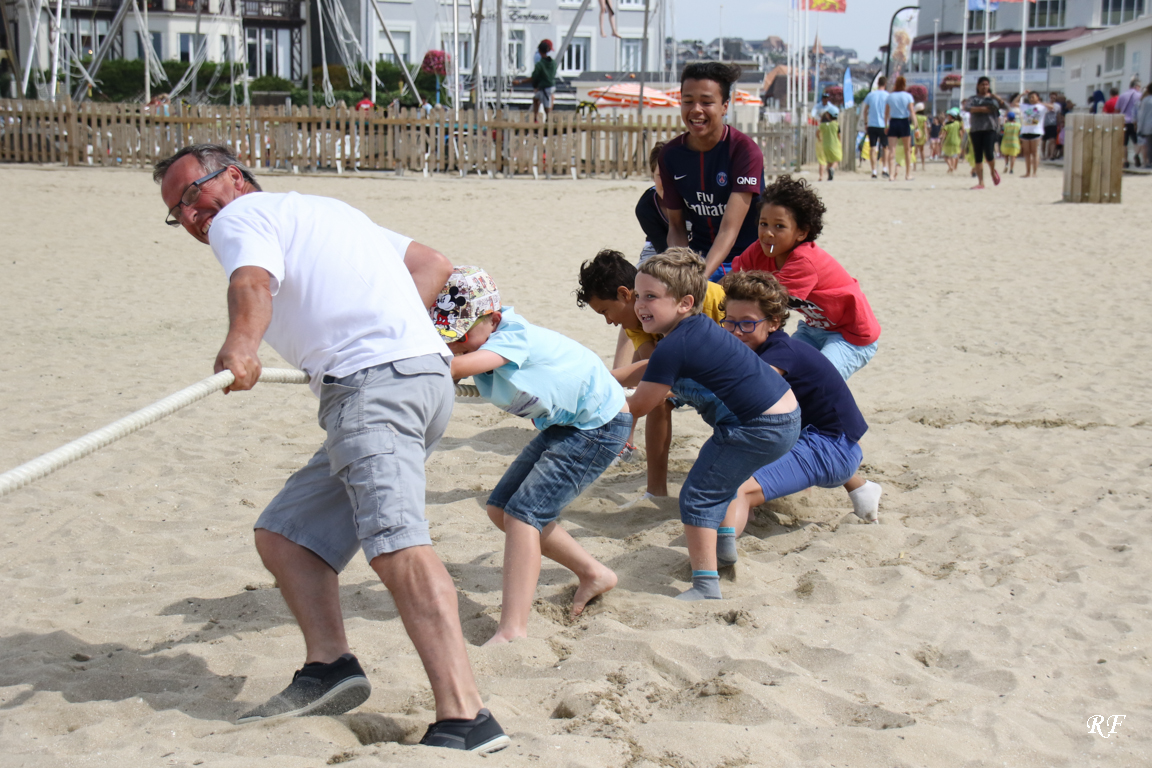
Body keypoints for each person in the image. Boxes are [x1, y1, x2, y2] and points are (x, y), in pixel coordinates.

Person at [153, 144, 510, 754]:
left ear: (234, 178)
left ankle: (466, 716)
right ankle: (330, 666)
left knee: (397, 543)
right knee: (288, 536)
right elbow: (433, 264)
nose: (191, 217)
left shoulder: (239, 218)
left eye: (192, 194)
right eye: (176, 212)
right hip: (417, 382)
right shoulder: (324, 210)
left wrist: (243, 344)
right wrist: (397, 330)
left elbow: (252, 281)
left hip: (375, 388)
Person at [436, 267, 631, 644]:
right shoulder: (478, 340)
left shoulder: (512, 334)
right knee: (502, 509)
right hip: (569, 425)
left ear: (492, 319)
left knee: (524, 515)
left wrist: (422, 366)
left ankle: (513, 630)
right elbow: (454, 363)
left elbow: (457, 366)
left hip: (599, 425)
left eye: (459, 335)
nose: (453, 344)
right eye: (446, 336)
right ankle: (594, 573)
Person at [624, 249, 800, 601]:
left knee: (697, 497)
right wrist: (605, 377)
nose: (640, 305)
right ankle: (724, 550)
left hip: (756, 427)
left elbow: (641, 404)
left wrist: (593, 402)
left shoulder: (675, 345)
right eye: (638, 295)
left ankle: (705, 587)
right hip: (785, 416)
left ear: (685, 302)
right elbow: (649, 370)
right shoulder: (699, 327)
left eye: (651, 297)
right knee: (721, 485)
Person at [716, 270, 882, 569]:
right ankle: (862, 489)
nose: (736, 332)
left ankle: (715, 561)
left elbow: (748, 387)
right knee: (736, 445)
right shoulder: (762, 345)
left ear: (775, 323)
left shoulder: (781, 352)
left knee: (735, 487)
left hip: (831, 446)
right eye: (729, 322)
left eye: (747, 323)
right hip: (823, 439)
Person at [575, 249, 728, 502]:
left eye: (605, 311)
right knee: (659, 400)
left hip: (726, 378)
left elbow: (741, 351)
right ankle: (655, 491)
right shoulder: (636, 323)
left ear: (625, 294)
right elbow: (654, 367)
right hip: (687, 376)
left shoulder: (711, 297)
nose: (609, 322)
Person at [729, 175, 880, 380]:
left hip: (850, 335)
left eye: (779, 226)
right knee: (787, 376)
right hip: (813, 328)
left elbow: (765, 304)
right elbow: (730, 285)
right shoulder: (758, 251)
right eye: (763, 224)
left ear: (801, 233)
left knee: (817, 380)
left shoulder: (804, 261)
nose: (768, 233)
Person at [659, 62, 764, 282]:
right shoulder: (670, 155)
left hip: (745, 261)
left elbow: (729, 230)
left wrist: (699, 279)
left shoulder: (745, 151)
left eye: (707, 102)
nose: (696, 109)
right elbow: (676, 225)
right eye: (688, 101)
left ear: (725, 106)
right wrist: (683, 269)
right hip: (697, 258)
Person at [963, 76, 1008, 189]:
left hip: (990, 128)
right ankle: (981, 182)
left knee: (989, 153)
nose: (985, 86)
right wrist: (985, 109)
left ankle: (992, 171)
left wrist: (996, 97)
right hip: (976, 128)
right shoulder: (973, 98)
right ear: (978, 86)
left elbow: (1006, 107)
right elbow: (967, 108)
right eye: (982, 84)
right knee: (978, 155)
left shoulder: (993, 99)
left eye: (987, 84)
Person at [1014, 91, 1054, 178]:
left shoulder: (1041, 107)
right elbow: (1014, 104)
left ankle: (1034, 172)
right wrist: (1022, 94)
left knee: (1035, 152)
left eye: (1033, 97)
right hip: (1025, 131)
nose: (1031, 99)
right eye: (1030, 97)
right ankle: (1028, 172)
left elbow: (1052, 107)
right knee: (1027, 153)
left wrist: (1040, 103)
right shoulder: (1025, 106)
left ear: (1037, 97)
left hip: (1036, 131)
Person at [885, 76, 916, 181]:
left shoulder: (890, 96)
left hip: (893, 122)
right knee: (907, 150)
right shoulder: (908, 96)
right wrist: (915, 124)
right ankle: (907, 174)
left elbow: (886, 113)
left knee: (891, 150)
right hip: (904, 122)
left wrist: (886, 125)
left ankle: (891, 175)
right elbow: (911, 111)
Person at [860, 76, 890, 179]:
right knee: (885, 147)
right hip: (883, 124)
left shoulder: (871, 95)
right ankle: (884, 169)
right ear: (885, 84)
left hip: (872, 124)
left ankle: (874, 171)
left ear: (878, 84)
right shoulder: (887, 96)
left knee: (873, 148)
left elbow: (865, 111)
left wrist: (865, 123)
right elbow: (889, 111)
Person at [1115, 77, 1143, 167]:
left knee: (1124, 143)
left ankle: (1125, 161)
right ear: (1136, 86)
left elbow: (1117, 110)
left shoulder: (1122, 95)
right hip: (1135, 123)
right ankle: (1136, 155)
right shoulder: (1140, 96)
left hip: (1123, 122)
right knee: (1137, 141)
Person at [530, 40, 558, 122]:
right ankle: (547, 119)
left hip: (544, 85)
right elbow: (539, 73)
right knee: (544, 102)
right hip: (544, 85)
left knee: (537, 99)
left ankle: (537, 119)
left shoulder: (540, 57)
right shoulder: (541, 59)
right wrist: (537, 86)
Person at [816, 109, 842, 182]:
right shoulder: (836, 124)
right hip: (835, 144)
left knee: (829, 161)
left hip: (825, 145)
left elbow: (817, 133)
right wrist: (840, 142)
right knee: (837, 159)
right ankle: (832, 169)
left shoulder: (823, 125)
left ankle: (829, 177)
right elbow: (839, 135)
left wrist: (819, 139)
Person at [942, 109, 963, 173]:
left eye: (948, 115)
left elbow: (944, 134)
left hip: (948, 142)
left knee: (945, 156)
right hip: (956, 142)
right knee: (954, 156)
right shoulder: (958, 123)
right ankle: (953, 167)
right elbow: (961, 133)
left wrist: (942, 141)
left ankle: (950, 166)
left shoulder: (947, 125)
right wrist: (961, 141)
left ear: (951, 116)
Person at [1042, 92, 1062, 160]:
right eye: (1051, 97)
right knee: (1044, 140)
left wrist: (1059, 124)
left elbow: (1058, 115)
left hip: (1053, 124)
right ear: (1049, 97)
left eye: (1054, 97)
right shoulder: (1045, 104)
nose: (1052, 98)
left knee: (1052, 140)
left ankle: (1051, 155)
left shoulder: (1057, 106)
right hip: (1044, 124)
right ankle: (1044, 155)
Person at [1000, 110, 1020, 174]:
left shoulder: (1005, 125)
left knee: (1006, 155)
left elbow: (1002, 133)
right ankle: (1011, 169)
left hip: (1006, 142)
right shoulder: (1018, 125)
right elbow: (1019, 134)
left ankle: (1006, 164)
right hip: (1015, 142)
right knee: (1013, 156)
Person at [1138, 83, 1152, 169]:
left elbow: (1142, 115)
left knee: (1149, 144)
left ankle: (1149, 162)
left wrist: (1140, 129)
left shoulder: (1145, 100)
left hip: (1148, 126)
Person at [914, 103, 928, 172]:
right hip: (922, 134)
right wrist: (926, 135)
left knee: (915, 152)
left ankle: (914, 167)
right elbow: (925, 127)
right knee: (922, 150)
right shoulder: (924, 117)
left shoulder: (914, 116)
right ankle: (923, 165)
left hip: (915, 133)